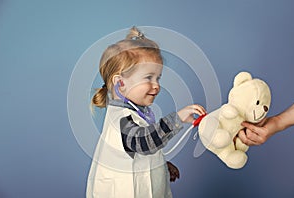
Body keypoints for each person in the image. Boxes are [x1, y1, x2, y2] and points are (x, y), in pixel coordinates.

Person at [86, 26, 206, 198]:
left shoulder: (137, 114)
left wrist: (161, 165)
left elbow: (141, 153)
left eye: (158, 78)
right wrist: (177, 119)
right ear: (121, 84)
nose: (156, 85)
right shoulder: (121, 120)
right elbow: (145, 141)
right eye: (148, 78)